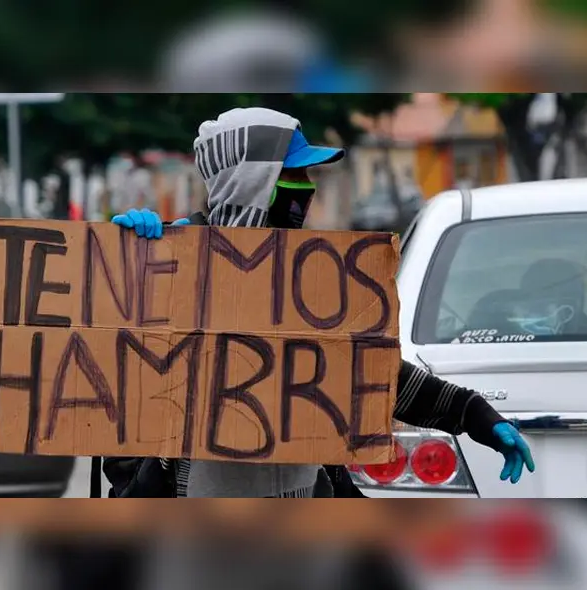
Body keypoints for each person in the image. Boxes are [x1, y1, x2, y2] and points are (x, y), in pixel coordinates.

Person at [111, 107, 535, 498]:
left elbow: (367, 372)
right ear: (251, 179)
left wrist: (475, 415)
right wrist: (128, 256)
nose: (307, 188)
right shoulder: (170, 262)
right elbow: (114, 371)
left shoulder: (313, 277)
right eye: (293, 174)